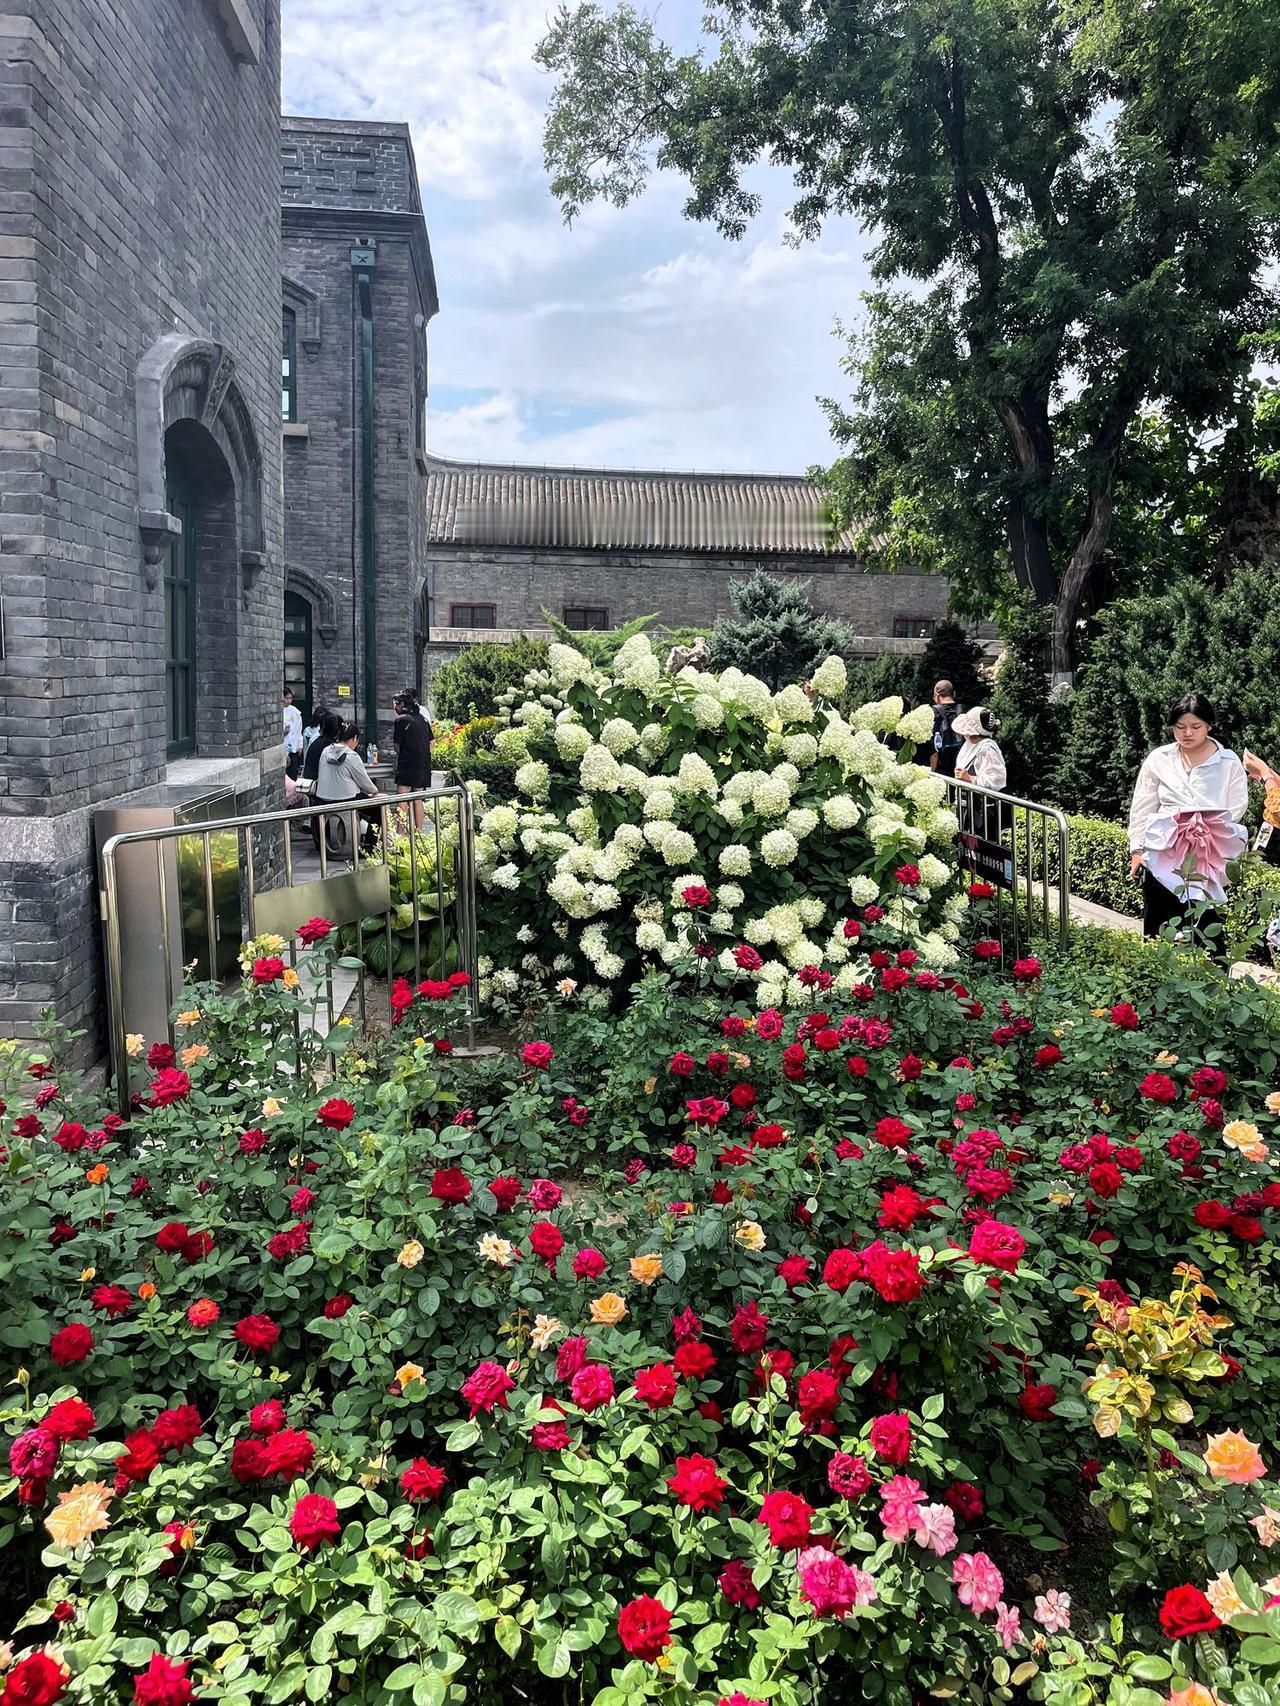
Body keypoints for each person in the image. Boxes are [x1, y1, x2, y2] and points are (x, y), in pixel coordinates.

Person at [1128, 693, 1248, 941]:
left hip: (1208, 854)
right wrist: (1137, 850)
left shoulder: (1227, 762)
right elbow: (1143, 807)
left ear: (1209, 726)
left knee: (1206, 927)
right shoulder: (1159, 759)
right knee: (1159, 929)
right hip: (1162, 852)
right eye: (1180, 727)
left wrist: (1204, 829)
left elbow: (1236, 807)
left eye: (1195, 726)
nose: (1187, 733)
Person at [314, 720, 382, 854]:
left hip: (323, 799)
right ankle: (370, 845)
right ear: (354, 738)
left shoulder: (325, 751)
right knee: (379, 807)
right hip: (346, 800)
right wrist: (374, 792)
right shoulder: (352, 756)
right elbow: (367, 785)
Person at [392, 688, 433, 829]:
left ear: (402, 704)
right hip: (423, 764)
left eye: (396, 704)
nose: (394, 707)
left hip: (407, 763)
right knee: (418, 799)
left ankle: (400, 833)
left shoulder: (400, 720)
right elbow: (431, 741)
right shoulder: (422, 719)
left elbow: (397, 746)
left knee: (402, 798)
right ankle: (419, 832)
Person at [928, 679, 965, 777]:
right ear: (954, 694)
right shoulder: (965, 712)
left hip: (941, 770)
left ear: (937, 695)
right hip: (963, 770)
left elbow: (932, 750)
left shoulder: (932, 713)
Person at [282, 687, 303, 780]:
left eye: (290, 698)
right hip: (283, 746)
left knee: (292, 772)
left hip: (293, 747)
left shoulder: (295, 712)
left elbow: (299, 730)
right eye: (286, 698)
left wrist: (300, 745)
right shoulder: (279, 711)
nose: (289, 701)